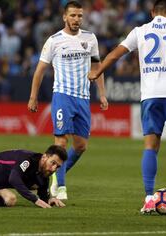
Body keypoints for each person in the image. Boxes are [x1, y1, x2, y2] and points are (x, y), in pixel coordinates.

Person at [88, 0, 166, 216]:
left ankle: (150, 198)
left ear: (152, 13)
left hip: (150, 95)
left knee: (151, 146)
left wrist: (97, 72)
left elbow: (115, 54)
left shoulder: (140, 30)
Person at [27, 1, 108, 201]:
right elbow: (39, 71)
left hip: (83, 98)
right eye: (72, 15)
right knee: (61, 142)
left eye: (79, 16)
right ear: (65, 17)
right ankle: (61, 186)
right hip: (62, 96)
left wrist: (102, 94)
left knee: (81, 146)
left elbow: (97, 67)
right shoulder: (54, 40)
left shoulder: (90, 38)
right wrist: (33, 96)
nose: (76, 19)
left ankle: (54, 175)